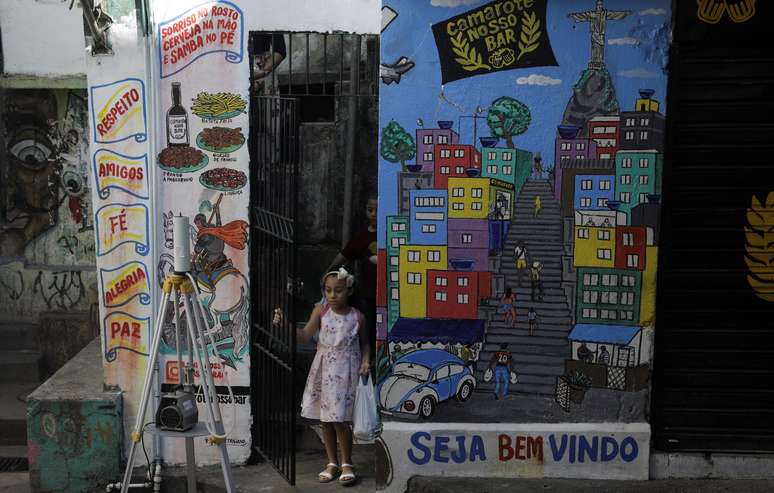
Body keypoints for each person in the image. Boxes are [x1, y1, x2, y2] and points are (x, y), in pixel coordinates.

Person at [293, 267, 371, 484]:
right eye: (328, 290)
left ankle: (347, 462)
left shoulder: (358, 317)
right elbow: (305, 335)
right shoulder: (320, 311)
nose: (332, 295)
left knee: (342, 420)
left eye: (338, 290)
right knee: (326, 420)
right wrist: (286, 325)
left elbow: (365, 344)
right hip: (324, 370)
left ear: (349, 290)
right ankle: (332, 462)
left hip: (346, 371)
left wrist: (366, 361)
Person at [328, 195, 378, 374]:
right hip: (365, 293)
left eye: (377, 210)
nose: (373, 214)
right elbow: (345, 254)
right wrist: (329, 270)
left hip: (385, 293)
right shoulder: (361, 236)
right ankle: (366, 364)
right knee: (366, 331)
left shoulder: (389, 232)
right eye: (369, 209)